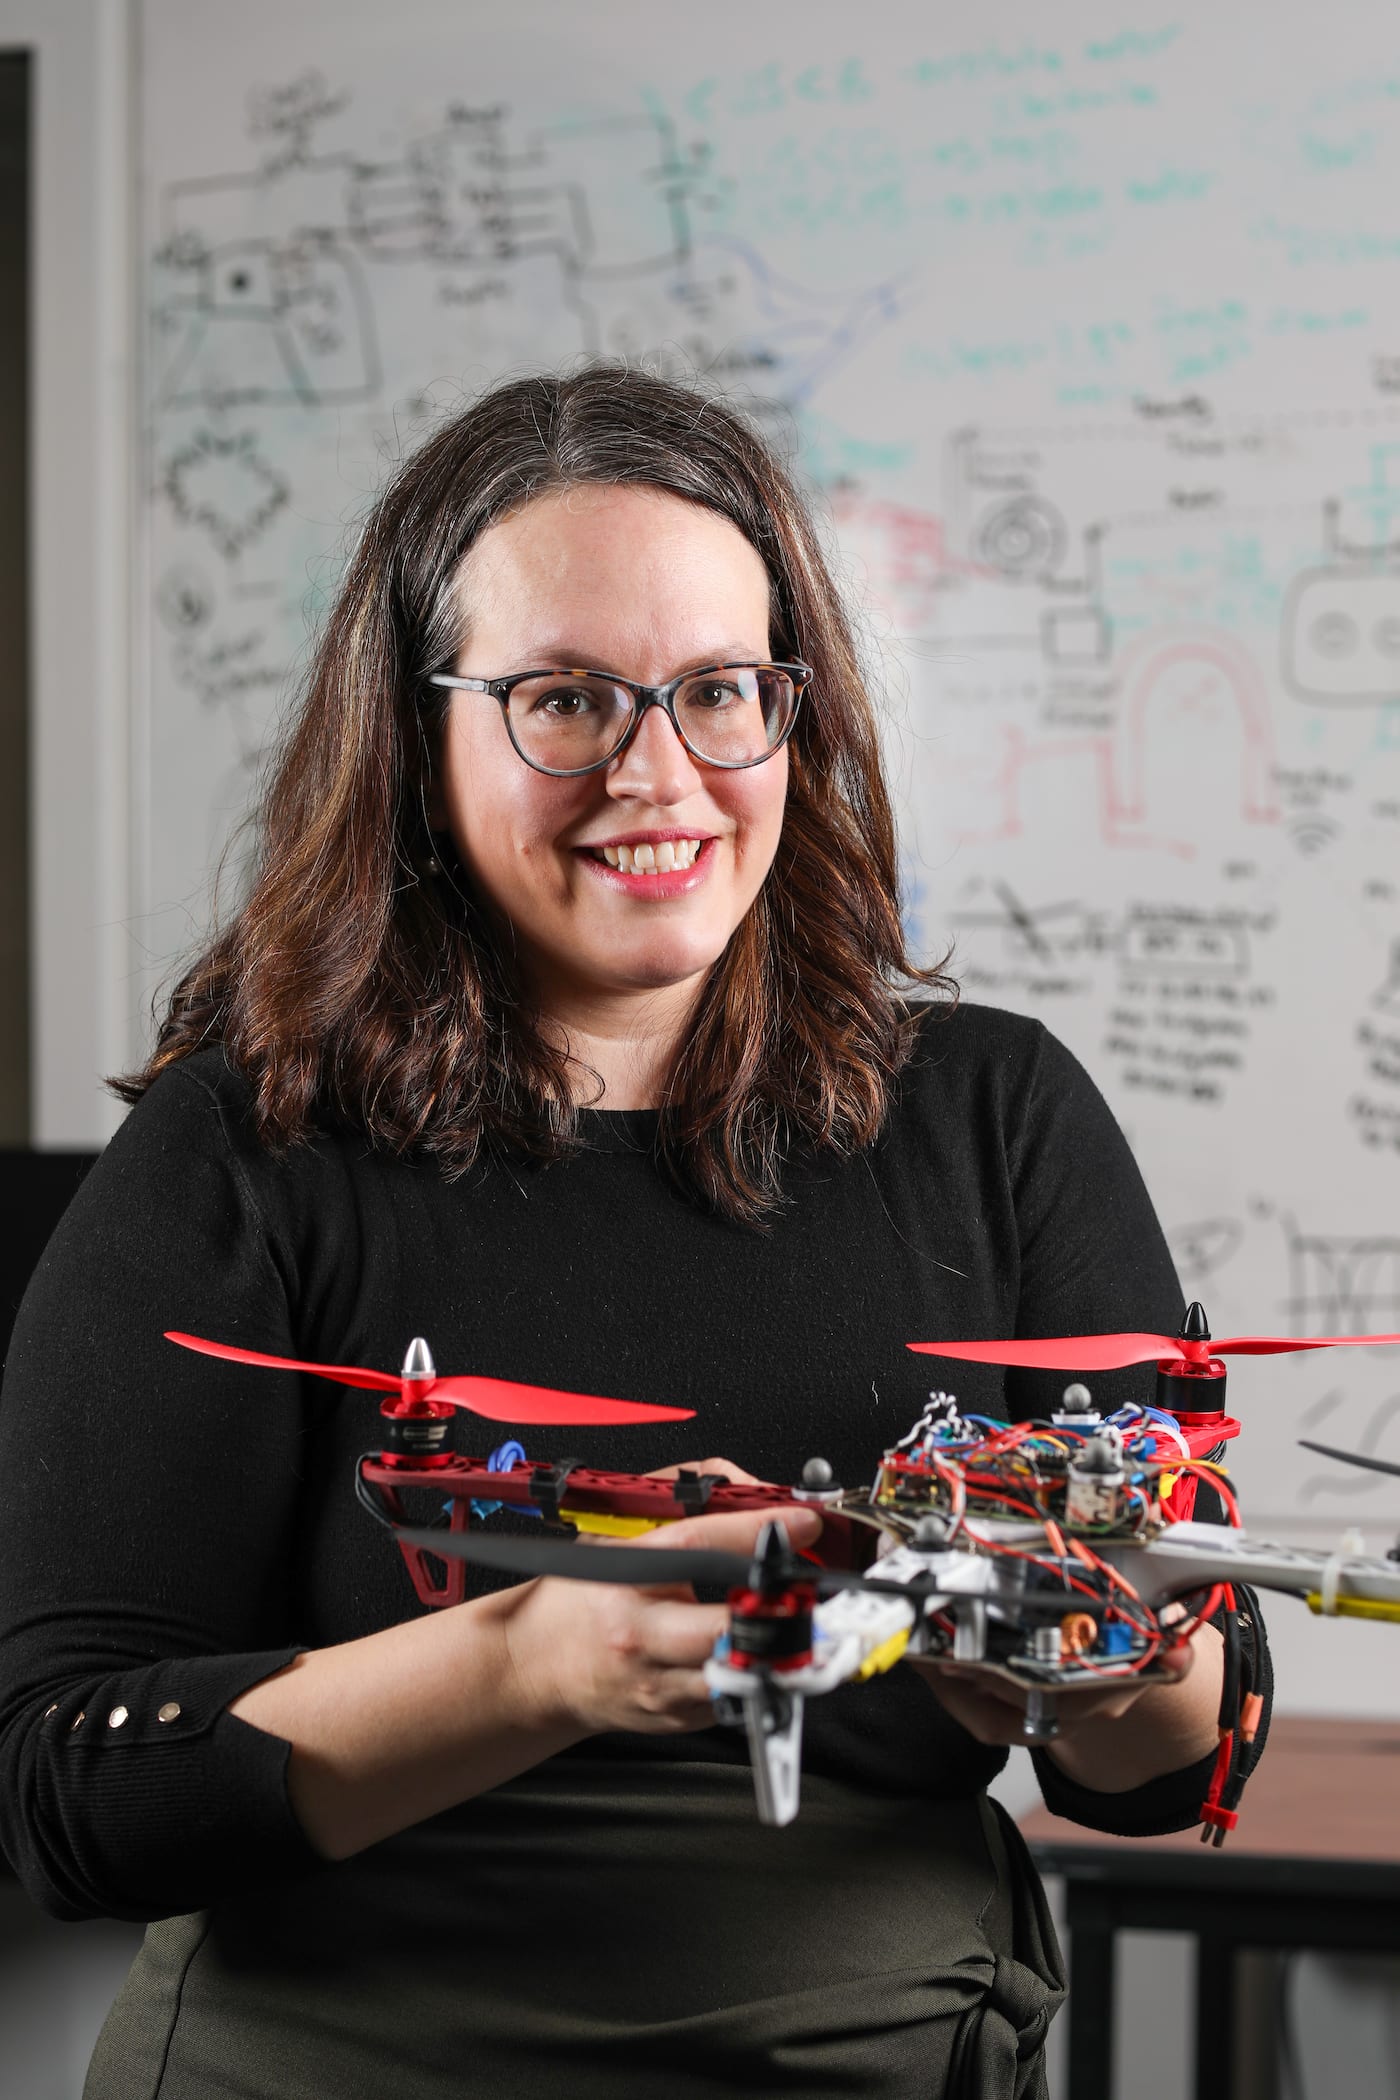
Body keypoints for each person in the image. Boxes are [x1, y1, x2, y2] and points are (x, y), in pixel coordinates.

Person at [0, 366, 1266, 2100]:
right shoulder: (239, 1153)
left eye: (722, 692)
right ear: (417, 735)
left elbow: (1167, 1770)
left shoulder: (999, 1116)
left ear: (794, 712)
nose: (660, 775)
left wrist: (1106, 1669)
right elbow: (72, 1794)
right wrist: (534, 1661)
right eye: (567, 700)